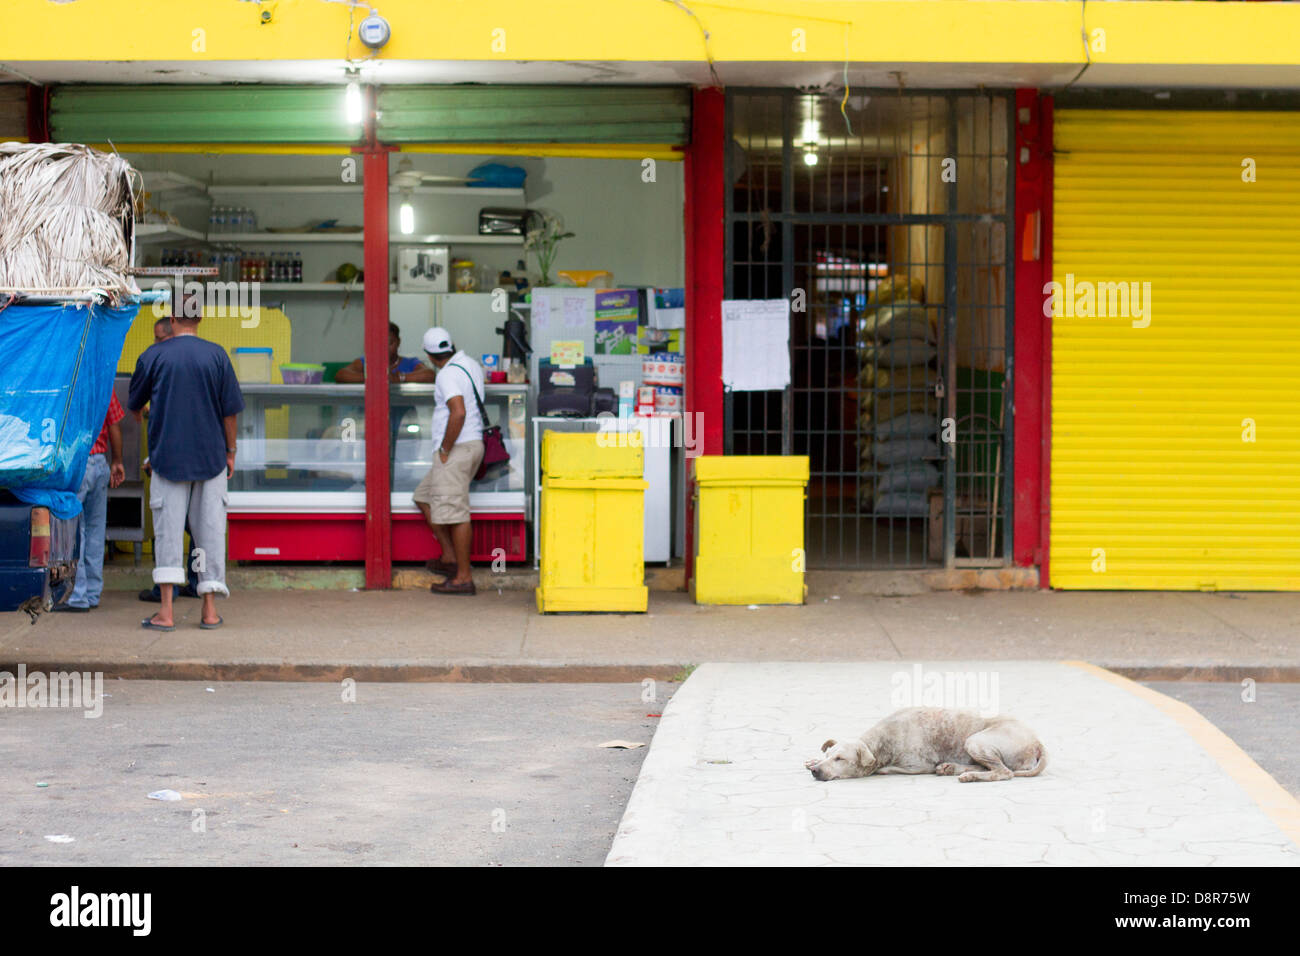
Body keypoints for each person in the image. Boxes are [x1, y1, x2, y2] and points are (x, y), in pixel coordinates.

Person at [127, 313, 244, 631]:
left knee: (168, 532)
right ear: (200, 318)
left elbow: (134, 408)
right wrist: (230, 452)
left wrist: (157, 426)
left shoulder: (153, 355)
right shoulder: (217, 355)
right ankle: (209, 611)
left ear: (173, 317)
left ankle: (166, 613)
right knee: (208, 533)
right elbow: (230, 412)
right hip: (211, 460)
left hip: (168, 460)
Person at [413, 327, 484, 596]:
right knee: (424, 496)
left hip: (457, 448)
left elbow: (458, 411)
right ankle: (450, 558)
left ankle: (463, 578)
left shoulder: (447, 374)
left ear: (429, 355)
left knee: (456, 514)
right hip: (469, 445)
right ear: (451, 345)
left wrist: (445, 447)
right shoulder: (470, 364)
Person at [138, 316, 200, 603]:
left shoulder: (160, 364)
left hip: (173, 461)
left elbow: (165, 422)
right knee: (195, 529)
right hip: (198, 460)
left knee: (170, 529)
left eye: (158, 339)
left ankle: (168, 590)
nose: (155, 345)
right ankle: (197, 582)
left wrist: (154, 456)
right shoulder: (198, 362)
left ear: (172, 332)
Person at [54, 393, 125, 612]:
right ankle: (93, 593)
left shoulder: (70, 380)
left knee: (75, 531)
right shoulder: (104, 386)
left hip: (76, 464)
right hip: (100, 462)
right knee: (95, 531)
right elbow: (114, 425)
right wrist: (118, 461)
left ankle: (77, 596)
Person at [334, 322, 436, 383]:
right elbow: (341, 375)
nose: (385, 348)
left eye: (390, 343)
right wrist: (372, 378)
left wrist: (399, 378)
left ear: (398, 342)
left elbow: (430, 375)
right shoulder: (365, 362)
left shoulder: (410, 362)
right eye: (380, 343)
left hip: (405, 417)